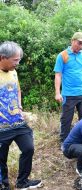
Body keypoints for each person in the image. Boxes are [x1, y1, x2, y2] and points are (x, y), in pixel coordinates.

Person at [0, 41, 42, 190]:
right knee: (1, 159)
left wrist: (19, 106)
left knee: (28, 148)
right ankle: (3, 184)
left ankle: (22, 182)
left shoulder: (13, 71)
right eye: (15, 60)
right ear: (3, 57)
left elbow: (17, 90)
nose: (18, 63)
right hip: (1, 127)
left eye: (19, 59)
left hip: (17, 122)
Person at [54, 31, 82, 144]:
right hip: (68, 94)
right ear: (72, 41)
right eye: (79, 43)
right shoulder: (63, 55)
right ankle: (64, 142)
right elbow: (58, 75)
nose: (81, 46)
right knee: (66, 119)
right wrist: (57, 92)